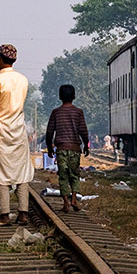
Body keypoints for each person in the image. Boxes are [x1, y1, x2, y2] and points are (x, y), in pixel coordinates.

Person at [0, 44, 33, 226]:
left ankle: (4, 214)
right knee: (22, 173)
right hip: (19, 131)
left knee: (1, 174)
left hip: (1, 132)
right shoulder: (23, 80)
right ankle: (23, 213)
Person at [45, 84, 90, 213]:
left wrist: (49, 148)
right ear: (74, 96)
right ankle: (74, 198)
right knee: (74, 175)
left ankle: (65, 202)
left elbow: (49, 132)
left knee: (63, 175)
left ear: (60, 97)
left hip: (61, 149)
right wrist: (86, 145)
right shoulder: (78, 112)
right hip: (75, 149)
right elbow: (83, 131)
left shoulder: (56, 112)